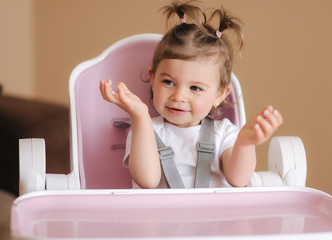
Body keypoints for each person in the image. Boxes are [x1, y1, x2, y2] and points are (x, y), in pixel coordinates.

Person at [99, 0, 283, 189]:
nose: (178, 96)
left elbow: (238, 179)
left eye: (195, 88)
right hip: (160, 217)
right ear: (153, 79)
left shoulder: (224, 134)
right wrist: (140, 116)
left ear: (220, 94)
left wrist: (245, 143)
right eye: (168, 82)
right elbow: (147, 181)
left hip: (215, 218)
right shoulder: (144, 129)